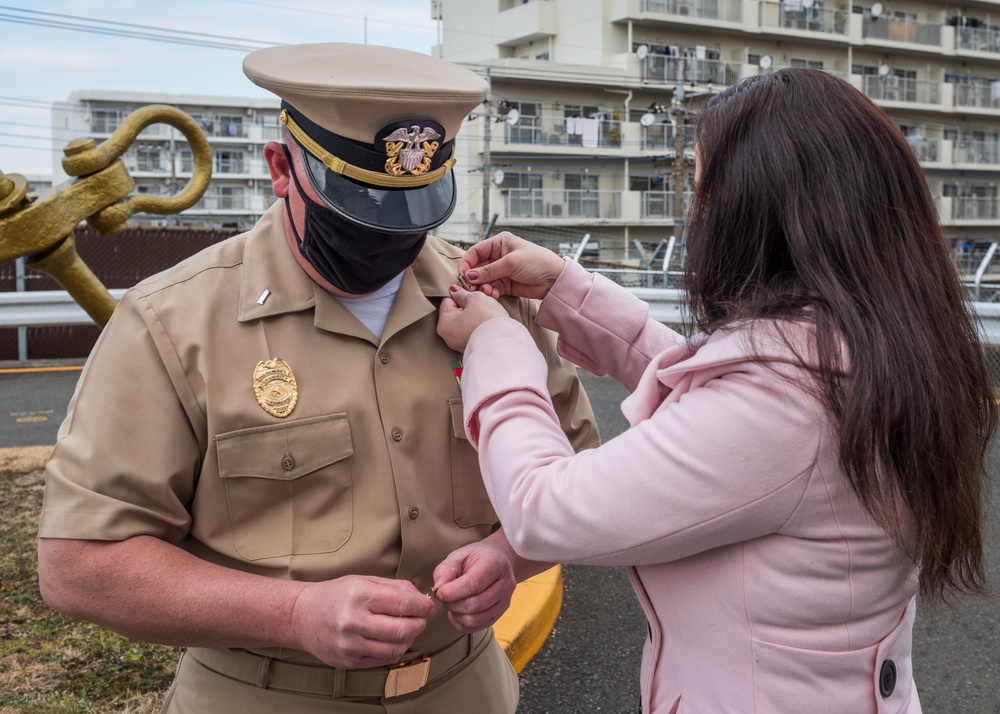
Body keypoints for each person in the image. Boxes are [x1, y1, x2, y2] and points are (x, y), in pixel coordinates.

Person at [36, 43, 598, 713]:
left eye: (410, 212)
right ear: (281, 168)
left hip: (466, 689)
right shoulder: (173, 322)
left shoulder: (490, 303)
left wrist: (509, 556)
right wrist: (294, 611)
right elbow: (81, 565)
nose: (386, 244)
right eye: (358, 210)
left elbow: (581, 487)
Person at [436, 68, 996, 713]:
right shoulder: (876, 342)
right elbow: (722, 400)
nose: (700, 216)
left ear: (757, 213)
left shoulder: (789, 404)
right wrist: (569, 291)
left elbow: (544, 510)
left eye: (706, 195)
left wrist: (495, 345)